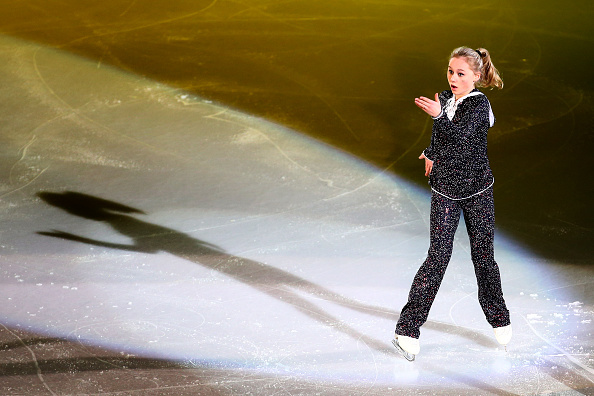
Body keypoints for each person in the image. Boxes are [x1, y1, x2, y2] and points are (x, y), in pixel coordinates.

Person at [392, 46, 512, 361]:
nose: (453, 78)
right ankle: (407, 329)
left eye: (461, 73)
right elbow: (442, 138)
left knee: (483, 257)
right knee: (437, 258)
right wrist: (431, 152)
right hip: (445, 190)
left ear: (476, 76)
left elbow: (464, 142)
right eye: (450, 71)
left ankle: (498, 317)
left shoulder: (479, 105)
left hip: (477, 192)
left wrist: (438, 116)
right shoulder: (445, 99)